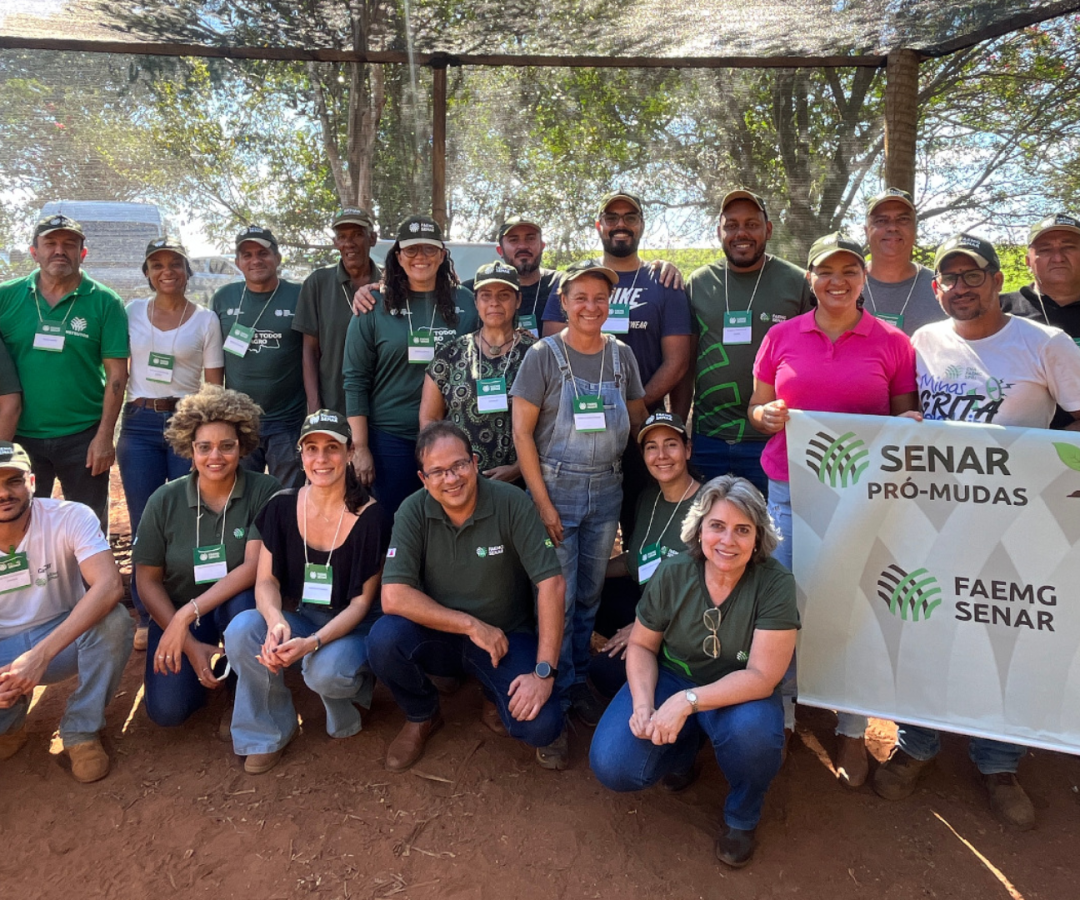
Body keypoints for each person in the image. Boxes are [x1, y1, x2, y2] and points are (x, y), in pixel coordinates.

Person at [873, 233, 1080, 830]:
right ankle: (917, 744)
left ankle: (998, 762)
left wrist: (1056, 475)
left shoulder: (1045, 343)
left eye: (973, 275)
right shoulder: (925, 341)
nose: (960, 288)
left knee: (1004, 634)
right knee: (924, 626)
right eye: (949, 279)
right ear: (936, 288)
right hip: (935, 520)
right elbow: (910, 414)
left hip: (1020, 524)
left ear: (996, 280)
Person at [748, 233, 918, 787]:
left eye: (849, 271)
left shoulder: (893, 343)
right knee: (786, 600)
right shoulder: (781, 336)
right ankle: (785, 713)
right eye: (826, 271)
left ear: (863, 278)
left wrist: (909, 424)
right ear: (811, 279)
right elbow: (756, 407)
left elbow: (905, 418)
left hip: (861, 499)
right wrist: (765, 416)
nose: (837, 281)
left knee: (855, 603)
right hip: (790, 489)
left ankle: (850, 724)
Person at [589, 475, 798, 869]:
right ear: (699, 528)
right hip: (674, 675)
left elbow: (763, 676)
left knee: (754, 736)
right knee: (613, 764)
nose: (727, 540)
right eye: (717, 526)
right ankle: (684, 750)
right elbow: (642, 645)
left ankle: (742, 815)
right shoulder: (673, 573)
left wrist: (687, 702)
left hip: (739, 691)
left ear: (758, 536)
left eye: (742, 529)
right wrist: (643, 705)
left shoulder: (775, 583)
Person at [367, 421, 565, 771]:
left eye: (459, 465)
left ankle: (492, 695)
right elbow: (393, 596)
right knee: (383, 639)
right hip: (440, 635)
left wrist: (544, 672)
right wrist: (471, 625)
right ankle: (422, 714)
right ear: (423, 478)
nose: (451, 478)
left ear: (474, 462)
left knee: (541, 725)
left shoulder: (511, 502)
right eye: (438, 471)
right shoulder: (412, 511)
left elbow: (552, 583)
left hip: (505, 636)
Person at [512, 260, 648, 756]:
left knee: (589, 594)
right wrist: (542, 502)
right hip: (557, 488)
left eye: (600, 298)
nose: (591, 307)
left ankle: (576, 681)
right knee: (559, 597)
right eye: (581, 298)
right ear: (564, 303)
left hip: (607, 489)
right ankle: (556, 690)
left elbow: (638, 418)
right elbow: (522, 433)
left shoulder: (622, 356)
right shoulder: (543, 356)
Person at [224, 410, 391, 774]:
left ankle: (353, 692)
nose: (321, 459)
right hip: (303, 616)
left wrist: (312, 643)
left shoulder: (372, 517)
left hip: (355, 625)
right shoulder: (282, 506)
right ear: (300, 454)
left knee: (323, 671)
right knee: (243, 630)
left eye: (332, 448)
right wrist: (275, 621)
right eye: (311, 448)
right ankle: (267, 732)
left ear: (349, 453)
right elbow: (266, 581)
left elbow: (362, 603)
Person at [541, 192, 692, 536]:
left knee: (643, 526)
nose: (620, 224)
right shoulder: (574, 280)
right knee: (577, 530)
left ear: (641, 224)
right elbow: (553, 350)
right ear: (599, 225)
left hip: (643, 428)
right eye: (611, 217)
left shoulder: (664, 283)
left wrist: (627, 407)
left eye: (630, 217)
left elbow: (678, 361)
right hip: (577, 425)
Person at [132, 385, 280, 730]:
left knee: (246, 605)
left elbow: (253, 567)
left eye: (227, 446)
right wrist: (185, 638)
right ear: (190, 448)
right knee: (169, 711)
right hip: (178, 612)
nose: (216, 456)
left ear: (242, 446)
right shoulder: (164, 500)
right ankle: (208, 666)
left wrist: (188, 613)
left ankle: (244, 692)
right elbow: (147, 581)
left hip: (232, 605)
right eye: (204, 447)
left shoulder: (264, 490)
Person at [0, 441, 132, 782]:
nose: (4, 493)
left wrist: (40, 655)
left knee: (114, 621)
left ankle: (80, 730)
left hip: (63, 640)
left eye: (13, 481)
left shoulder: (70, 516)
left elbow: (109, 585)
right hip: (3, 650)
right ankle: (9, 726)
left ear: (32, 482)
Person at [119, 237, 224, 651]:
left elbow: (213, 386)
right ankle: (148, 615)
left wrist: (206, 436)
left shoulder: (205, 319)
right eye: (157, 264)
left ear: (187, 270)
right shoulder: (131, 312)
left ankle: (195, 609)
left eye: (175, 263)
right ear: (147, 272)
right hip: (140, 422)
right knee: (145, 518)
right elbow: (117, 369)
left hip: (187, 420)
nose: (167, 271)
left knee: (192, 513)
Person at [674, 190, 814, 495]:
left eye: (752, 224)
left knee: (770, 524)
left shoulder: (797, 282)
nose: (741, 233)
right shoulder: (699, 283)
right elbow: (685, 364)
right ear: (719, 232)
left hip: (774, 439)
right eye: (732, 225)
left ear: (769, 229)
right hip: (708, 438)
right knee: (709, 523)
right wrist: (679, 428)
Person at [0, 214, 129, 530]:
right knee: (20, 526)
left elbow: (117, 375)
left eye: (69, 244)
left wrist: (104, 437)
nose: (60, 250)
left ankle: (89, 569)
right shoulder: (6, 296)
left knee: (89, 525)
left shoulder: (105, 301)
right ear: (34, 252)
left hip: (83, 436)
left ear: (82, 253)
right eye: (51, 243)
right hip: (21, 437)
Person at [343, 215, 478, 515]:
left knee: (449, 521)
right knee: (396, 523)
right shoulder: (373, 305)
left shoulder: (467, 302)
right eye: (412, 250)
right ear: (398, 256)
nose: (421, 257)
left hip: (452, 437)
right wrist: (360, 447)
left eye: (429, 249)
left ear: (442, 255)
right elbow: (355, 380)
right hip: (391, 439)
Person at [588, 410, 702, 699]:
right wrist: (584, 572)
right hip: (646, 603)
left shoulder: (709, 506)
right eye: (652, 447)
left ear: (688, 450)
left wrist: (643, 627)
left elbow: (710, 593)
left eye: (671, 445)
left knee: (603, 673)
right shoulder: (649, 498)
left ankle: (670, 683)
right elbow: (634, 561)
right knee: (585, 592)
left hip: (686, 622)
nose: (661, 455)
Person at [420, 261, 536, 482]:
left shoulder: (536, 355)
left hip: (523, 481)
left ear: (518, 300)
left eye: (504, 295)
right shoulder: (450, 354)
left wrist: (518, 468)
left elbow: (551, 424)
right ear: (476, 302)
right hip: (457, 480)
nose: (494, 303)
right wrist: (444, 466)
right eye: (486, 296)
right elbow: (430, 419)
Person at [212, 225, 306, 485]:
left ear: (277, 258)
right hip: (239, 420)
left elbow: (313, 353)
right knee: (240, 492)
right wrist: (217, 413)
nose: (255, 260)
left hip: (287, 420)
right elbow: (214, 360)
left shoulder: (299, 295)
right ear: (237, 262)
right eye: (247, 255)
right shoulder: (224, 298)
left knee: (287, 496)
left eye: (263, 253)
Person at [293, 208, 380, 416]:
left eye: (357, 235)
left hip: (381, 409)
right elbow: (309, 350)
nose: (349, 243)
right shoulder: (318, 283)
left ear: (372, 238)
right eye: (342, 237)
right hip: (332, 405)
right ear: (335, 243)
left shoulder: (389, 283)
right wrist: (315, 408)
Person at [1001, 213, 1080, 429]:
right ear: (1028, 261)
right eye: (1045, 250)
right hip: (1012, 444)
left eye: (1069, 247)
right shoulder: (999, 310)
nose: (1058, 258)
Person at [862, 188, 942, 335]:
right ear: (866, 231)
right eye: (881, 220)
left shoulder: (942, 289)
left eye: (903, 219)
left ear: (915, 229)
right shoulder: (844, 286)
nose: (892, 227)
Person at [461, 217, 558, 336]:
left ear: (542, 246)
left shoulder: (560, 284)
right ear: (500, 250)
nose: (522, 246)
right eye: (513, 240)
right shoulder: (471, 290)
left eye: (530, 238)